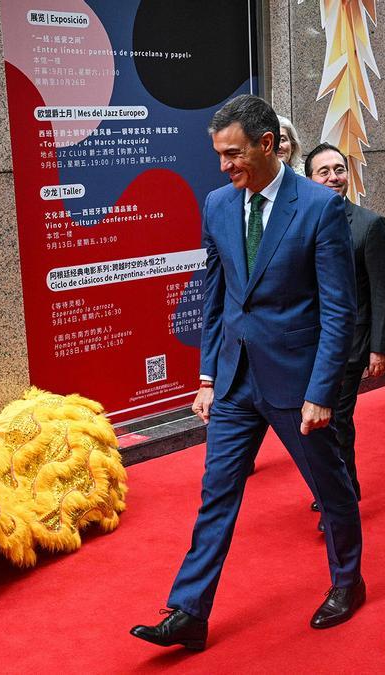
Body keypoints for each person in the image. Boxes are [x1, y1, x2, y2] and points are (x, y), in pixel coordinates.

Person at [131, 95, 364, 651]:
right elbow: (216, 300)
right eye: (218, 155)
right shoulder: (215, 204)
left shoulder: (318, 207)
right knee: (216, 493)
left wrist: (320, 392)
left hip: (296, 384)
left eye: (233, 154)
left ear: (267, 145)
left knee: (329, 488)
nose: (224, 166)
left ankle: (348, 582)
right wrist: (207, 376)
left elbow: (339, 310)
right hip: (235, 380)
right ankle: (189, 610)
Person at [304, 142, 385, 511]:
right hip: (307, 341)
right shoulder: (298, 222)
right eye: (323, 171)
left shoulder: (369, 225)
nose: (333, 177)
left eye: (339, 170)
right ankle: (341, 486)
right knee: (316, 420)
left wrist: (380, 346)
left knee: (337, 418)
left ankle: (340, 497)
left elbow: (383, 289)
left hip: (351, 342)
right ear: (309, 179)